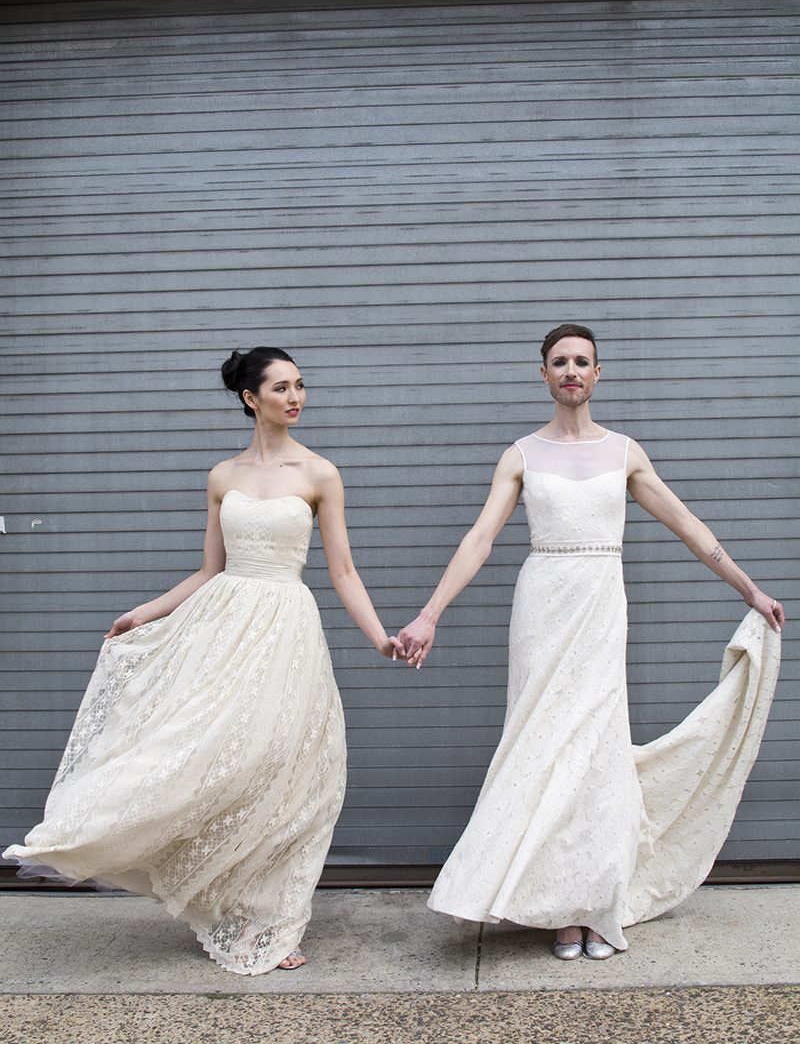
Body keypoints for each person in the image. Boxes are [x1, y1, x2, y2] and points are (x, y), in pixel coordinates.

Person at [3, 347, 403, 975]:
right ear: (251, 398)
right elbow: (209, 569)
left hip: (286, 631)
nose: (295, 398)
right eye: (281, 388)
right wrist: (145, 613)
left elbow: (343, 571)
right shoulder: (223, 476)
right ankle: (213, 895)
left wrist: (380, 637)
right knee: (203, 756)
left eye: (300, 386)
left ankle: (274, 918)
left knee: (281, 768)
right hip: (222, 630)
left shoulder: (321, 474)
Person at [398, 324, 783, 960]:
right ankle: (559, 909)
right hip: (543, 604)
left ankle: (596, 903)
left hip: (602, 605)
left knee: (597, 747)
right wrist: (430, 614)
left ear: (597, 374)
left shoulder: (625, 452)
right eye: (559, 362)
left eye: (582, 361)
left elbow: (688, 525)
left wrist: (749, 589)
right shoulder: (520, 454)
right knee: (544, 742)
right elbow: (480, 540)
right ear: (543, 375)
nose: (571, 370)